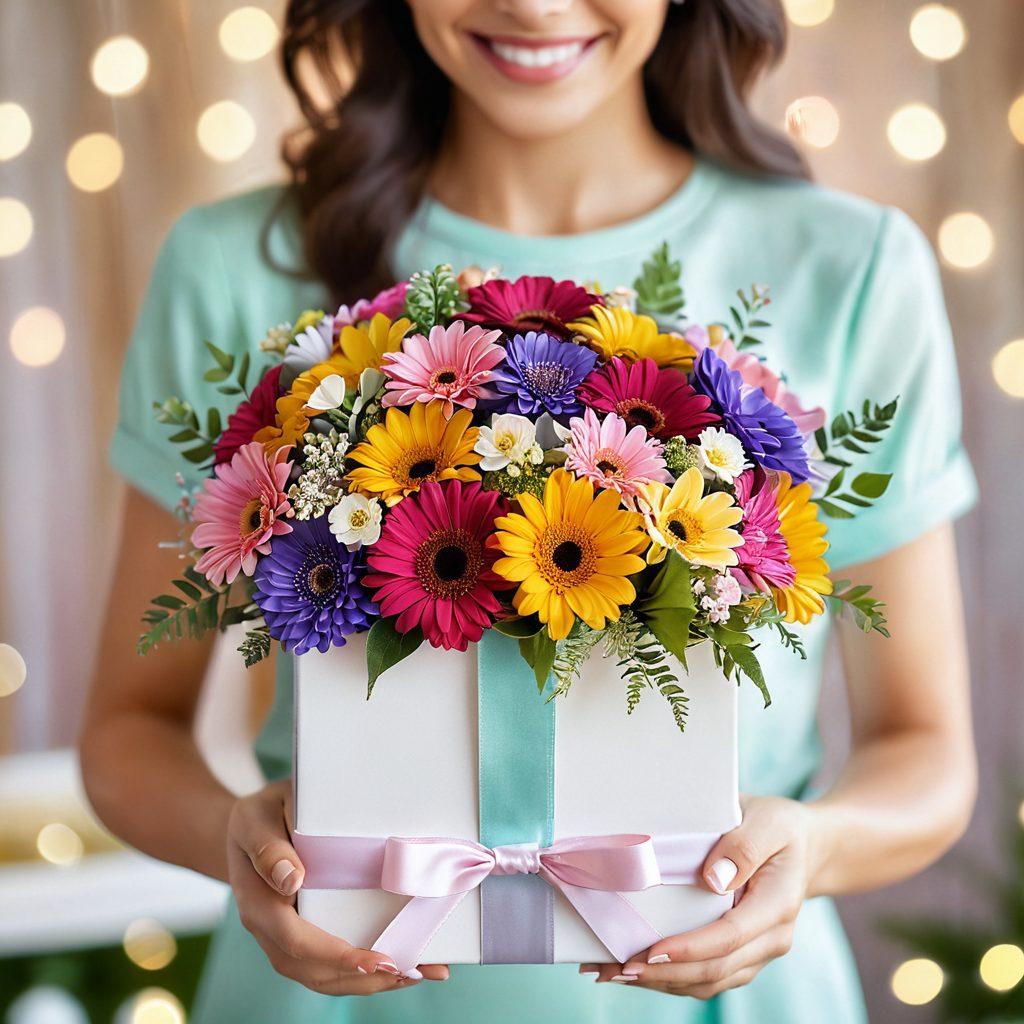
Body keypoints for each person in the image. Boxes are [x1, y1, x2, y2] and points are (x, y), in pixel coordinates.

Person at [80, 1, 978, 1021]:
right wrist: (234, 845)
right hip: (330, 990)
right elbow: (128, 727)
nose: (534, 5)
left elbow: (925, 749)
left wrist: (811, 848)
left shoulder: (852, 266)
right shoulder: (231, 262)